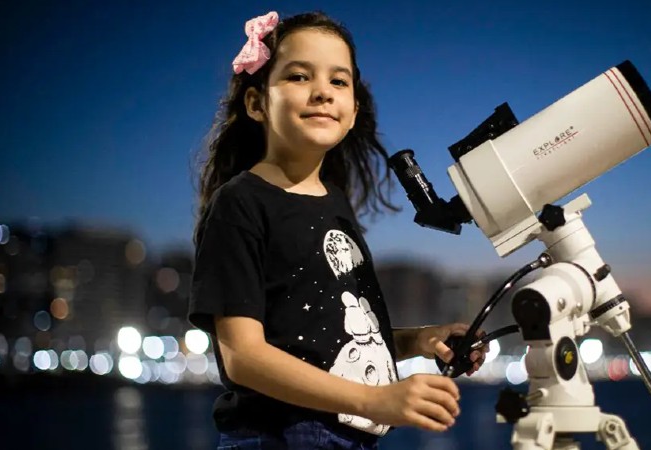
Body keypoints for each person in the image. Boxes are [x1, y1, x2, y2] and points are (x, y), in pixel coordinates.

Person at [187, 9, 488, 450]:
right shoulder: (240, 203)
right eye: (298, 77)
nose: (322, 93)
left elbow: (334, 340)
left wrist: (419, 340)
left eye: (338, 81)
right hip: (279, 436)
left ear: (352, 112)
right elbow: (242, 357)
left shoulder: (337, 205)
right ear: (256, 103)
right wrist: (373, 399)